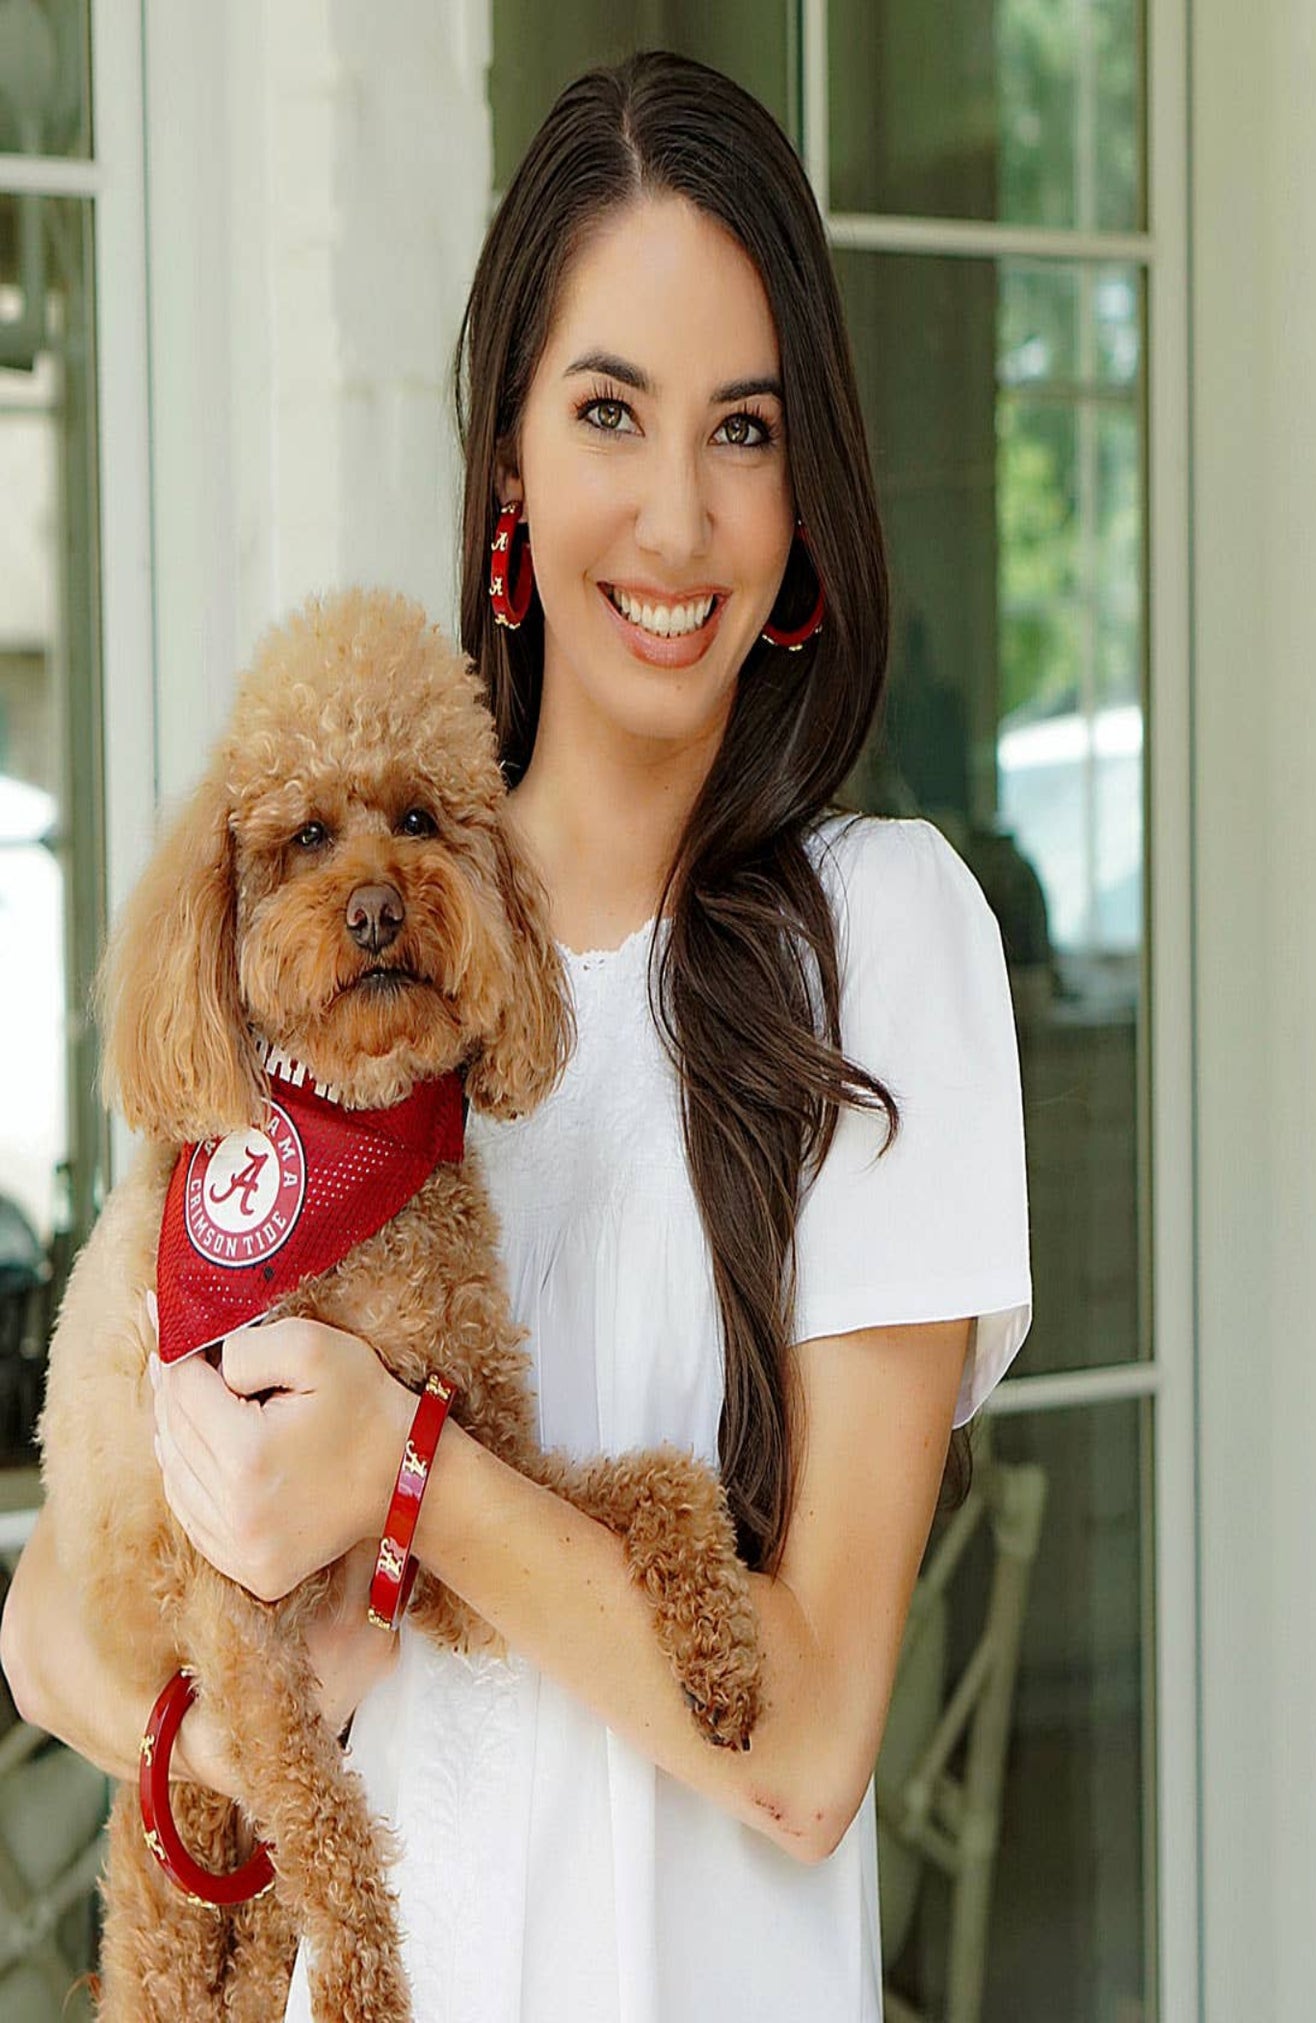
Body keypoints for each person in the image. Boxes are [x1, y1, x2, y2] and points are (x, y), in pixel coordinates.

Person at [1, 50, 1031, 2023]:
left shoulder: (880, 947)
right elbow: (55, 1615)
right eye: (608, 413)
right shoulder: (319, 987)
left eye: (743, 427)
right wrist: (231, 1752)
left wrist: (410, 1476)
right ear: (510, 465)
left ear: (805, 486)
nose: (675, 514)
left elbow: (809, 1754)